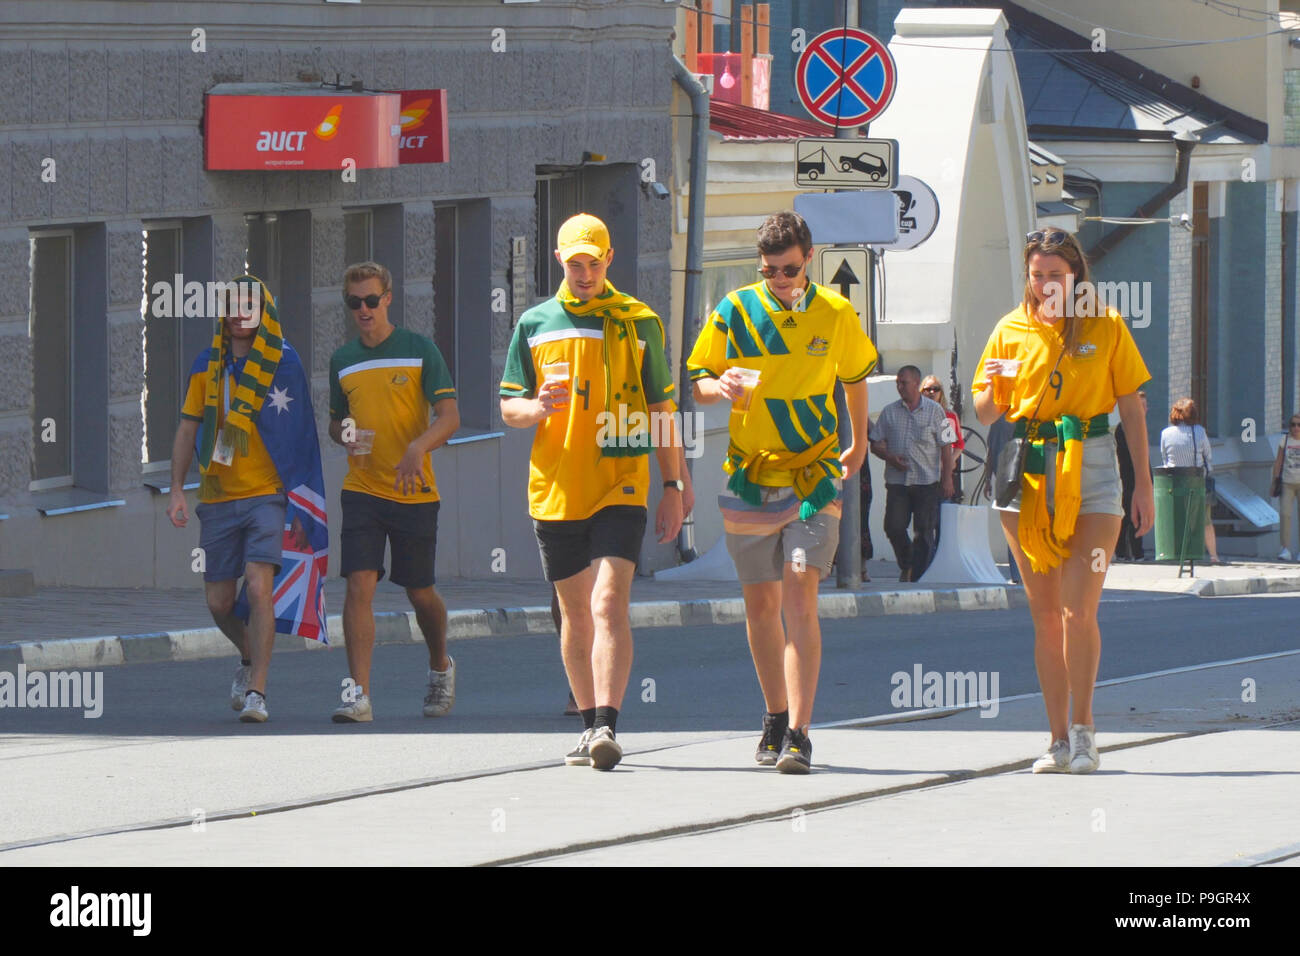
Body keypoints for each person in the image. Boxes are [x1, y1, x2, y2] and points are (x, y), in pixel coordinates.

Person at [688, 210, 876, 774]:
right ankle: (773, 714)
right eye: (771, 270)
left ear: (809, 259)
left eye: (790, 269)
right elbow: (695, 382)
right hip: (751, 474)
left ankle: (799, 731)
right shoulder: (735, 308)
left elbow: (856, 377)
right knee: (760, 605)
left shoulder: (836, 312)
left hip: (814, 476)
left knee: (799, 594)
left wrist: (860, 441)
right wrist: (716, 386)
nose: (781, 280)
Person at [500, 213, 688, 771]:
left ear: (610, 261)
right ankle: (587, 725)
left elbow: (661, 409)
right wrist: (536, 408)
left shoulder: (638, 321)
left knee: (609, 602)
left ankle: (608, 723)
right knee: (574, 611)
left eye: (594, 263)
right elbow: (509, 404)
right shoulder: (535, 323)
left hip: (620, 478)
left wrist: (674, 484)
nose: (584, 274)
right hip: (556, 485)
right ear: (561, 261)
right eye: (575, 263)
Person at [973, 229, 1153, 775]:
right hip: (1023, 468)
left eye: (1056, 274)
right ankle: (1054, 739)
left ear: (1075, 275)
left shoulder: (1105, 323)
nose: (1046, 284)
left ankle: (1084, 731)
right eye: (1037, 274)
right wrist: (997, 390)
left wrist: (1143, 483)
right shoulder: (1009, 329)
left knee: (1080, 610)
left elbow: (1134, 406)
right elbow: (982, 411)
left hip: (1092, 463)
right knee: (1046, 615)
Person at [166, 275, 327, 722]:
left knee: (259, 585)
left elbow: (301, 437)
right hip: (217, 496)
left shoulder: (283, 363)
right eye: (233, 305)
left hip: (267, 496)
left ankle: (258, 690)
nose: (240, 313)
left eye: (249, 305)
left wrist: (300, 502)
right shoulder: (206, 364)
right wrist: (177, 488)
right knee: (218, 603)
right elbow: (187, 428)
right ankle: (247, 655)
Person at [328, 262, 460, 722]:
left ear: (388, 298)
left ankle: (440, 665)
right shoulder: (343, 359)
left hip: (414, 489)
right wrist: (342, 432)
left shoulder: (419, 349)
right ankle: (358, 694)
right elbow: (335, 419)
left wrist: (417, 447)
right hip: (361, 486)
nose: (362, 310)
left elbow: (449, 416)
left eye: (370, 300)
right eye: (353, 303)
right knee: (358, 583)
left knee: (420, 591)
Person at [871, 366, 955, 583]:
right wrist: (889, 457)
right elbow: (876, 443)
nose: (900, 387)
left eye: (904, 383)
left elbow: (947, 446)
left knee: (924, 532)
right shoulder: (889, 411)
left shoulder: (936, 411)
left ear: (916, 384)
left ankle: (917, 577)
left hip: (926, 482)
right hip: (898, 482)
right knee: (893, 526)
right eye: (897, 383)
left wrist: (947, 478)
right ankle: (907, 563)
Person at [1160, 398, 1222, 565]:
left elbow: (1165, 458)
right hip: (1197, 480)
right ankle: (1213, 555)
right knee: (1205, 520)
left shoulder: (1166, 433)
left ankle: (1180, 552)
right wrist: (1207, 471)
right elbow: (1208, 457)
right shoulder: (1199, 432)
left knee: (1179, 517)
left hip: (1174, 481)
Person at [1114, 389, 1151, 561]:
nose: (1144, 409)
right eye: (1141, 405)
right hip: (1125, 478)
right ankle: (1123, 552)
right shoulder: (1123, 429)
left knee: (1137, 516)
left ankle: (1136, 552)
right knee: (1126, 517)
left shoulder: (1141, 429)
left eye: (1145, 406)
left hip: (1137, 478)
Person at [920, 374, 965, 503]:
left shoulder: (947, 416)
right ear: (922, 392)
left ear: (941, 393)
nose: (932, 392)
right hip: (920, 474)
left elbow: (957, 444)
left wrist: (949, 461)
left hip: (941, 475)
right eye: (927, 389)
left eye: (936, 389)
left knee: (942, 514)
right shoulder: (915, 414)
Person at [1273, 413, 1300, 561]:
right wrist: (1274, 480)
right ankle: (1285, 549)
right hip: (1287, 482)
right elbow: (1278, 461)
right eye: (1293, 424)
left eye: (1299, 425)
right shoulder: (1285, 439)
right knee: (1285, 515)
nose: (1296, 428)